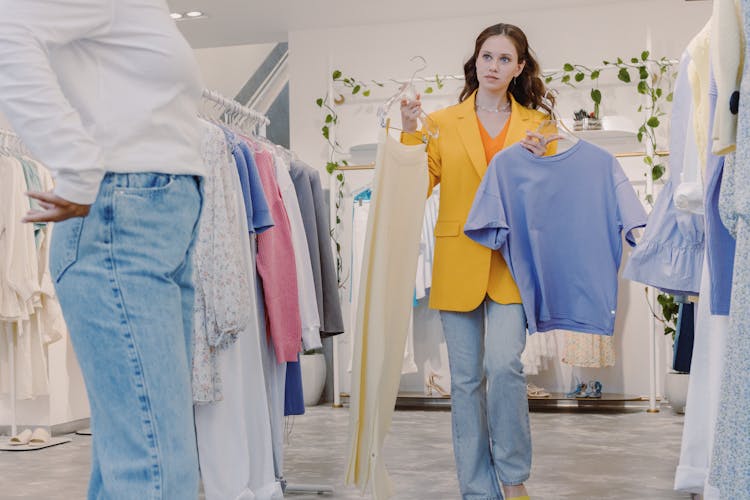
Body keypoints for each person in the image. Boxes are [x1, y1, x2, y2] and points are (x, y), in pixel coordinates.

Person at [0, 1, 206, 498]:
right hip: (121, 220)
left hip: (156, 219)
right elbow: (6, 29)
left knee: (142, 458)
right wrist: (75, 166)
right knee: (157, 462)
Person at [400, 23, 556, 500]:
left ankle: (513, 480)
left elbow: (549, 201)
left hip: (513, 266)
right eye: (487, 56)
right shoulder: (443, 122)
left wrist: (540, 166)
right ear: (476, 61)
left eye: (505, 59)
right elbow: (416, 186)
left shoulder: (538, 126)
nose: (494, 66)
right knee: (465, 382)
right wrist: (409, 131)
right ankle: (475, 489)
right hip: (458, 261)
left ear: (520, 68)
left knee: (505, 366)